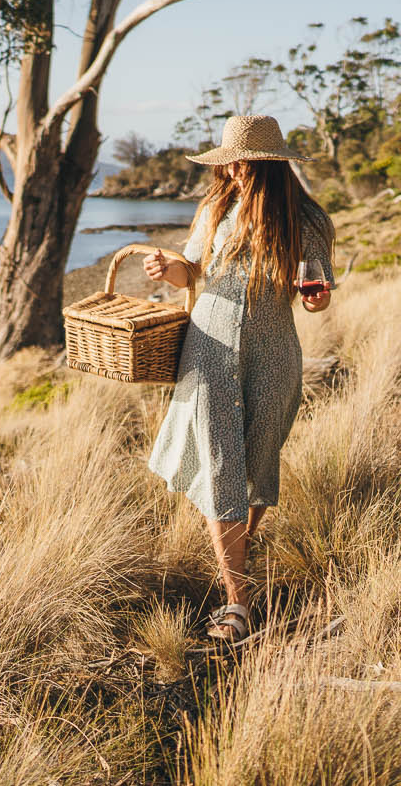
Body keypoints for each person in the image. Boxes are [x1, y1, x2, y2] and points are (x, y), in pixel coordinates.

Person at [142, 114, 335, 645]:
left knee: (256, 466)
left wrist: (317, 298)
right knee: (223, 468)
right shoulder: (216, 207)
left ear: (269, 167)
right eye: (229, 160)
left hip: (273, 354)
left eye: (243, 162)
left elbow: (315, 293)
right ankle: (238, 601)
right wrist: (169, 269)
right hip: (208, 349)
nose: (233, 169)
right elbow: (192, 270)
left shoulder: (307, 219)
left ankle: (236, 561)